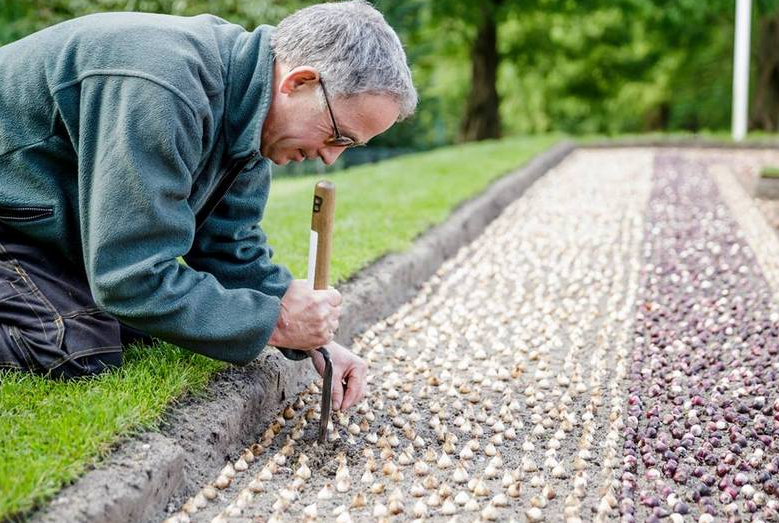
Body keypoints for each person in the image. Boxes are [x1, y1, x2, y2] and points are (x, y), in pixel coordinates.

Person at [0, 1, 416, 412]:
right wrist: (277, 322)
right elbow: (130, 278)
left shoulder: (252, 113)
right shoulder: (163, 89)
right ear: (299, 82)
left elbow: (227, 245)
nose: (330, 158)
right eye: (338, 136)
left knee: (142, 327)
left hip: (35, 226)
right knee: (72, 343)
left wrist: (312, 337)